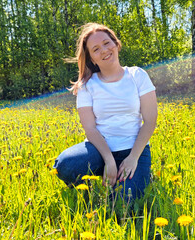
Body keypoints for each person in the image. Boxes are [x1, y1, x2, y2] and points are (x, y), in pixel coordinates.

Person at [53, 23, 158, 200]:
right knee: (65, 166)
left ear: (116, 44)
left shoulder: (137, 75)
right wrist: (109, 159)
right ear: (92, 59)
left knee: (123, 202)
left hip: (133, 149)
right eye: (95, 49)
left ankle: (137, 173)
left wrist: (133, 158)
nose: (103, 50)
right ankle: (104, 172)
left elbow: (150, 121)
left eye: (106, 43)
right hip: (99, 150)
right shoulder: (87, 85)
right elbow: (90, 129)